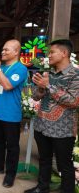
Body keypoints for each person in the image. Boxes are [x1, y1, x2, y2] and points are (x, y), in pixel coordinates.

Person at [24, 39, 79, 193]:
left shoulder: (75, 75)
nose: (49, 55)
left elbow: (74, 101)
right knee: (44, 159)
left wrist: (48, 85)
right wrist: (40, 88)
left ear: (64, 53)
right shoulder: (48, 73)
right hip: (42, 125)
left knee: (64, 164)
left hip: (63, 129)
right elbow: (35, 97)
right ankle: (42, 187)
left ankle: (67, 190)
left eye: (52, 52)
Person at [0, 39, 27, 188]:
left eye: (7, 50)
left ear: (16, 52)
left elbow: (7, 86)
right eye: (2, 49)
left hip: (11, 115)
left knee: (12, 146)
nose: (3, 52)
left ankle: (10, 174)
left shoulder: (20, 68)